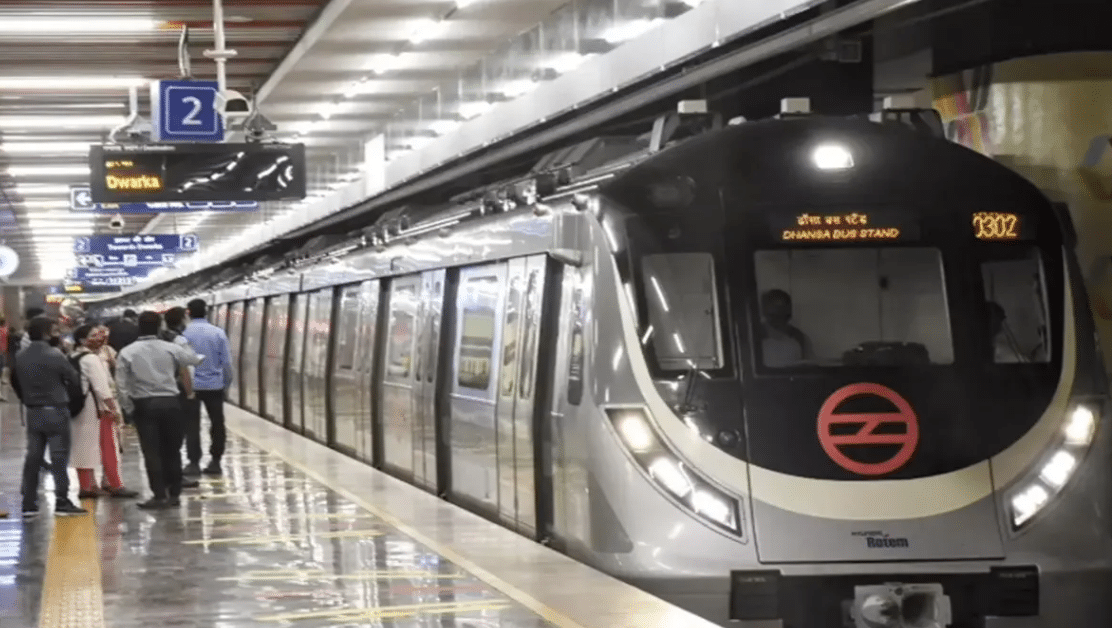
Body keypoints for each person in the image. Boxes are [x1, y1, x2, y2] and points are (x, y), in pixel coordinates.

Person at [117, 311, 199, 510]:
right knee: (172, 450)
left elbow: (121, 386)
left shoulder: (127, 352)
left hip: (144, 406)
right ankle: (175, 494)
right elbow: (194, 361)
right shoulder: (171, 348)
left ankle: (159, 495)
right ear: (160, 326)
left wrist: (128, 409)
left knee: (152, 452)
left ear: (138, 326)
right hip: (171, 403)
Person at [11, 316, 87, 517]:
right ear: (46, 333)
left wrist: (26, 397)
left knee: (33, 457)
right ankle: (62, 500)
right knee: (59, 457)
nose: (58, 334)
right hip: (56, 410)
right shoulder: (55, 354)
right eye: (55, 331)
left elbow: (14, 381)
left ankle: (29, 503)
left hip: (33, 412)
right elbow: (73, 378)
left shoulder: (20, 355)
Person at [68, 324, 139, 500]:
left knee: (83, 447)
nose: (99, 338)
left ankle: (87, 486)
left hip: (78, 408)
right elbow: (102, 388)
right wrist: (113, 409)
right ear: (82, 340)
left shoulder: (71, 356)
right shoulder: (91, 359)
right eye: (93, 334)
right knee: (110, 446)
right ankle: (115, 484)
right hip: (99, 409)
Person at [181, 299, 234, 477]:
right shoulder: (218, 333)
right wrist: (225, 385)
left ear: (188, 313)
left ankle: (194, 462)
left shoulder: (183, 335)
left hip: (191, 387)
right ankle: (216, 461)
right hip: (215, 386)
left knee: (191, 425)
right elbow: (227, 363)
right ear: (206, 312)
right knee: (217, 423)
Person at [760, 289, 813, 367]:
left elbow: (810, 366)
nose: (779, 320)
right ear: (764, 312)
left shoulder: (800, 338)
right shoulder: (754, 337)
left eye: (784, 314)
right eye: (774, 314)